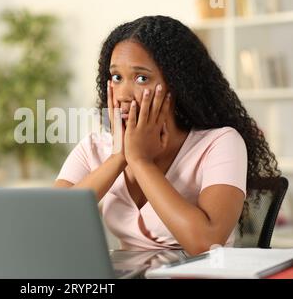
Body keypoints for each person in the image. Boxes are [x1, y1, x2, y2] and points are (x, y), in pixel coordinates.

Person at [54, 16, 280, 255]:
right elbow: (49, 222)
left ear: (177, 84)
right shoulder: (93, 148)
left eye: (142, 78)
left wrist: (140, 161)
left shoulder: (220, 143)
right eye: (117, 77)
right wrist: (119, 158)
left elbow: (206, 243)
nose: (123, 94)